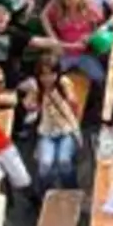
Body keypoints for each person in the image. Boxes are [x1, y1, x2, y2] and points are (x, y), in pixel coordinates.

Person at [30, 53, 83, 194]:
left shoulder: (63, 83)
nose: (47, 78)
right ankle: (44, 194)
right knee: (45, 165)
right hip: (46, 132)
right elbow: (29, 104)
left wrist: (64, 96)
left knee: (64, 161)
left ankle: (71, 191)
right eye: (43, 75)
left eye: (51, 74)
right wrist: (32, 104)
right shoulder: (36, 88)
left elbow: (73, 101)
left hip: (66, 129)